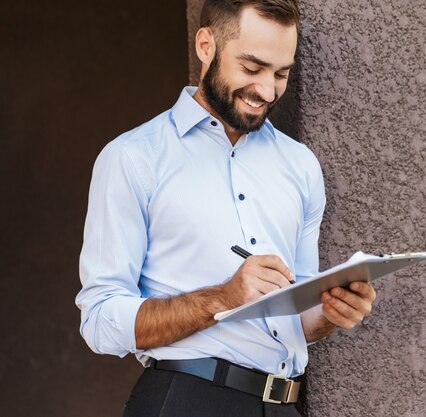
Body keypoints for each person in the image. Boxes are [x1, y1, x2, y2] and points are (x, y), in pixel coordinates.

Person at [76, 1, 376, 416]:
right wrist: (225, 296)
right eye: (252, 69)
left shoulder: (301, 166)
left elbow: (297, 318)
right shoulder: (133, 158)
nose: (267, 91)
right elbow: (100, 321)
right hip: (187, 400)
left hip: (283, 405)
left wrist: (330, 311)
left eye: (281, 74)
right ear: (206, 46)